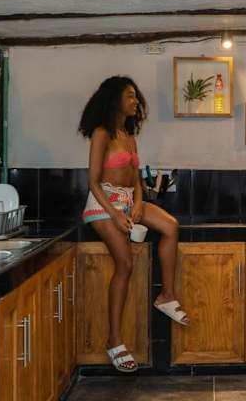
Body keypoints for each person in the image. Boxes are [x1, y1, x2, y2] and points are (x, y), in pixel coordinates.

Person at [78, 76, 189, 373]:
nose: (136, 101)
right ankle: (114, 341)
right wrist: (115, 214)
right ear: (114, 99)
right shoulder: (102, 133)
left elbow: (137, 180)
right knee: (125, 263)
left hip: (128, 201)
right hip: (103, 204)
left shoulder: (128, 135)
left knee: (171, 226)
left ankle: (166, 295)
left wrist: (139, 203)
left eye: (136, 96)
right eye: (130, 96)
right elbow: (92, 181)